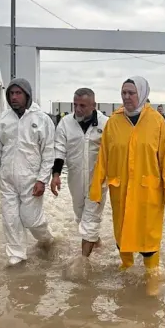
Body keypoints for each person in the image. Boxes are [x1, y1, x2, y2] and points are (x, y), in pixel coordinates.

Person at [89, 76, 165, 296]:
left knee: (149, 235)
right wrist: (96, 188)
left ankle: (152, 276)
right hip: (121, 188)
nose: (126, 97)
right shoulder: (113, 122)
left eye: (131, 92)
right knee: (122, 232)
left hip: (149, 190)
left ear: (142, 93)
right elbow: (104, 157)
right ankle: (126, 269)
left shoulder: (157, 121)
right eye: (124, 93)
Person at [0, 78, 56, 266]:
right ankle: (16, 255)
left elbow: (48, 152)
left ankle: (46, 239)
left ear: (27, 95)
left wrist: (42, 179)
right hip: (7, 179)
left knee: (31, 219)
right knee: (10, 218)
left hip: (31, 179)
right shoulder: (3, 119)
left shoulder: (41, 119)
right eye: (11, 94)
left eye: (18, 93)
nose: (14, 97)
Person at [50, 88, 109, 257]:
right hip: (75, 180)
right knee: (81, 218)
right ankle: (97, 244)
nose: (78, 109)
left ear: (93, 105)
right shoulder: (65, 123)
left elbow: (115, 151)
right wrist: (55, 175)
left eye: (82, 105)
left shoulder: (106, 124)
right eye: (75, 104)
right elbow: (59, 149)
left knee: (90, 221)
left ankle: (83, 264)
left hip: (98, 181)